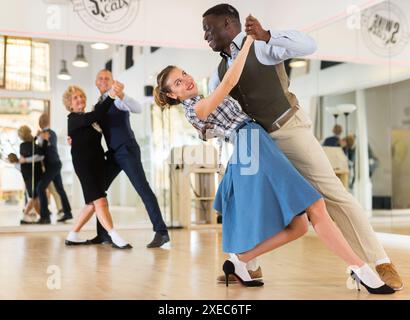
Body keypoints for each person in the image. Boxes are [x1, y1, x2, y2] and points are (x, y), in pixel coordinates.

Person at [153, 35, 394, 294]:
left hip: (255, 141)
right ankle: (362, 270)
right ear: (172, 95)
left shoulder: (200, 100)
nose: (187, 80)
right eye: (178, 82)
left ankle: (240, 262)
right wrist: (246, 43)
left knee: (299, 225)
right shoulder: (195, 108)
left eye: (185, 74)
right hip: (252, 142)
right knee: (316, 206)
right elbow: (230, 81)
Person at [202, 3, 402, 290]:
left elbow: (308, 44)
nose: (205, 36)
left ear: (226, 23)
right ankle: (248, 264)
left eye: (208, 29)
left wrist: (268, 34)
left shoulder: (260, 45)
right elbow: (216, 111)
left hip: (290, 130)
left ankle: (381, 261)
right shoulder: (218, 73)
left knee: (333, 194)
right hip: (261, 144)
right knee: (256, 204)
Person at [79, 70, 169, 248]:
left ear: (113, 82)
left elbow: (138, 108)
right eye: (101, 78)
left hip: (127, 150)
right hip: (112, 153)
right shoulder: (97, 106)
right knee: (97, 190)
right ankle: (103, 234)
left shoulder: (118, 99)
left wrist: (121, 94)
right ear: (96, 82)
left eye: (107, 78)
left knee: (143, 189)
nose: (104, 80)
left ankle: (161, 232)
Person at [63, 85, 131, 249]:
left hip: (98, 164)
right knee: (100, 201)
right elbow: (98, 113)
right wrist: (111, 95)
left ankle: (72, 235)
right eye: (75, 98)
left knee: (92, 203)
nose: (80, 99)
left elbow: (97, 117)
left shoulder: (89, 119)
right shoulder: (73, 118)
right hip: (85, 166)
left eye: (81, 96)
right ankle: (114, 236)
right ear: (70, 104)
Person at [25, 113, 72, 224]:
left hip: (52, 165)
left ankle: (45, 216)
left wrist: (39, 138)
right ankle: (68, 213)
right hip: (56, 164)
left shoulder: (44, 135)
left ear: (40, 123)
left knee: (40, 188)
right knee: (60, 189)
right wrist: (38, 137)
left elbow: (42, 151)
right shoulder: (52, 133)